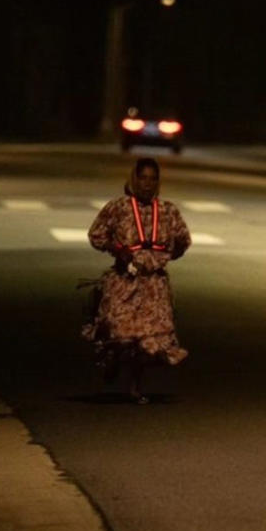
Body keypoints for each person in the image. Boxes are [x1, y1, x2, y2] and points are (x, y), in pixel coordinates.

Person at [82, 157, 192, 404]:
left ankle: (135, 386)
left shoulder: (167, 211)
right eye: (143, 178)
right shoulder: (118, 207)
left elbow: (183, 240)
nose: (147, 184)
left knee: (149, 341)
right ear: (134, 179)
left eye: (153, 179)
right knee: (119, 333)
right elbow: (96, 234)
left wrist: (164, 256)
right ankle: (111, 359)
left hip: (153, 284)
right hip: (124, 281)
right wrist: (117, 249)